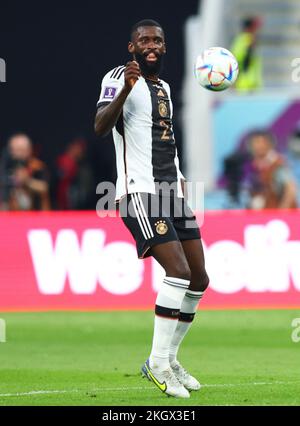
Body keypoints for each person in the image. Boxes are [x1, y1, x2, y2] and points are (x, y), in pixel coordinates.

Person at [95, 19, 209, 399]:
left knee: (198, 279)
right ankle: (158, 363)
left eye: (157, 40)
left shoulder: (162, 87)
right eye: (144, 40)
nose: (152, 45)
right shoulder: (117, 77)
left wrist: (181, 189)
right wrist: (125, 93)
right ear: (132, 47)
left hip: (170, 194)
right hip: (138, 193)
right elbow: (99, 125)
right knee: (177, 271)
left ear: (164, 46)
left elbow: (167, 144)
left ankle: (169, 358)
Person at [246, 130, 298, 209]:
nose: (258, 146)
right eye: (255, 143)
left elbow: (290, 189)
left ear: (269, 144)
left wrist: (282, 211)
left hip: (279, 214)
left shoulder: (278, 164)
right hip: (261, 213)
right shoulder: (251, 166)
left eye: (261, 143)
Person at [0, 133, 50, 210]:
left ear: (29, 150)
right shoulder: (4, 166)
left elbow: (45, 187)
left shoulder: (37, 166)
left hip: (34, 213)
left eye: (21, 150)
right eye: (14, 150)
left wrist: (27, 181)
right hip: (8, 213)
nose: (18, 154)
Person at [231, 16, 263, 92]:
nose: (257, 31)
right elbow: (236, 61)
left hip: (252, 86)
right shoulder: (243, 40)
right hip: (244, 86)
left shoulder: (247, 40)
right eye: (255, 27)